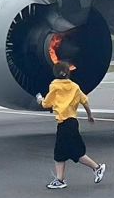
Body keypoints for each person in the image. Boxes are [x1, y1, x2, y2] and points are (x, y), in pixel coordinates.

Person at [38, 61, 106, 189]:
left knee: (61, 153)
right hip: (73, 122)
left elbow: (46, 104)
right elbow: (85, 101)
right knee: (73, 152)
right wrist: (89, 115)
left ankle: (62, 179)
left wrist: (40, 100)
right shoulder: (75, 86)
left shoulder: (55, 86)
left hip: (64, 123)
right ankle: (95, 168)